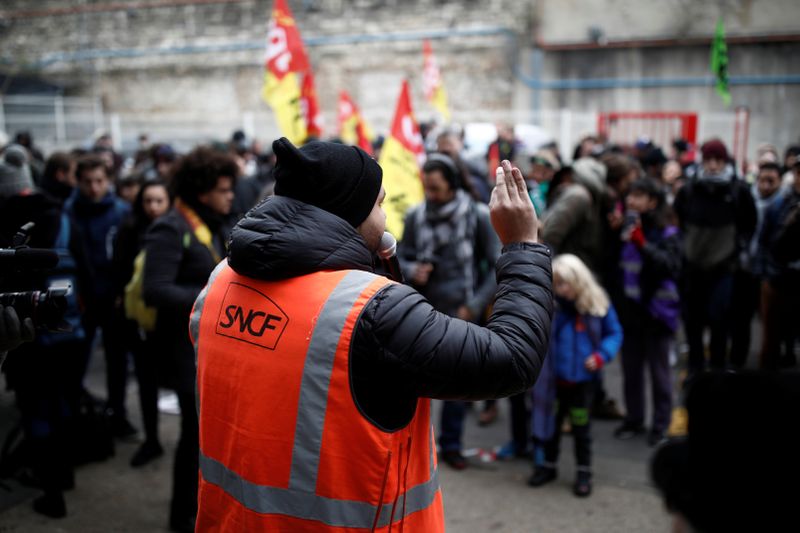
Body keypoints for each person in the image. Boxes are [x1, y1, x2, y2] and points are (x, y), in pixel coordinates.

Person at [190, 138, 552, 531]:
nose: (385, 220)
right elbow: (513, 359)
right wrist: (523, 246)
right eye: (379, 205)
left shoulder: (220, 279)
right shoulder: (371, 311)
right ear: (349, 213)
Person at [142, 147, 236, 532]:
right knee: (193, 436)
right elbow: (156, 289)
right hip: (182, 351)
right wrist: (214, 298)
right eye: (223, 190)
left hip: (205, 348)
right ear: (202, 192)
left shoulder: (211, 222)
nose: (230, 196)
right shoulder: (171, 227)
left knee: (205, 434)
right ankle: (182, 518)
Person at [398, 153, 501, 470]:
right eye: (427, 188)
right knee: (417, 383)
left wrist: (474, 304)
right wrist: (412, 268)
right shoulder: (415, 216)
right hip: (422, 310)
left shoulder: (477, 215)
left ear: (453, 185)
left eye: (437, 189)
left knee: (457, 384)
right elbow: (400, 257)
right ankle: (414, 447)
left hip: (463, 310)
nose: (431, 196)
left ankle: (452, 445)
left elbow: (497, 265)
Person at [528, 254, 622, 497]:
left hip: (583, 383)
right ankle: (548, 467)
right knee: (552, 427)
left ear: (578, 281)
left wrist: (602, 355)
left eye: (563, 283)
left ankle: (583, 473)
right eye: (556, 284)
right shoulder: (554, 308)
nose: (559, 289)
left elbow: (614, 333)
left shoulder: (595, 306)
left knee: (582, 429)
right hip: (554, 382)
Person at [673, 139, 756, 376]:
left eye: (717, 160)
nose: (712, 165)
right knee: (693, 322)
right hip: (693, 267)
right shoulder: (690, 190)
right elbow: (679, 220)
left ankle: (718, 371)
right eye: (708, 159)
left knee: (720, 321)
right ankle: (695, 371)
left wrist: (736, 250)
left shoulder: (737, 190)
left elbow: (749, 223)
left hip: (723, 268)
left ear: (725, 161)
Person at [65, 155, 135, 437]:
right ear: (78, 182)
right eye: (88, 182)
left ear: (108, 181)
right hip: (83, 298)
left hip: (113, 298)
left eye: (99, 182)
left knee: (117, 361)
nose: (94, 188)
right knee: (77, 359)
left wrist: (122, 291)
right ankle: (74, 416)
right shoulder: (69, 212)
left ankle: (117, 414)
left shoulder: (120, 212)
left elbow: (128, 256)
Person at [613, 178, 681, 446]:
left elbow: (669, 267)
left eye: (639, 196)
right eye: (630, 195)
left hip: (658, 316)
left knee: (660, 374)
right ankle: (634, 420)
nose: (631, 200)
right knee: (631, 372)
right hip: (631, 315)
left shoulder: (668, 233)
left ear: (652, 202)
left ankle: (661, 426)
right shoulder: (627, 228)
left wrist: (643, 245)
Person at [113, 180, 171, 467]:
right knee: (147, 381)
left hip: (170, 321)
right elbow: (121, 272)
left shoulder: (176, 231)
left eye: (159, 200)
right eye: (148, 200)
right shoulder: (130, 230)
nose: (153, 207)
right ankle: (151, 439)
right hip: (141, 322)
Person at [729, 162, 784, 368]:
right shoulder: (747, 199)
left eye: (772, 181)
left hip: (769, 272)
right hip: (745, 269)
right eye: (763, 180)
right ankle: (737, 362)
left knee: (771, 326)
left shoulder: (783, 206)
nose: (766, 186)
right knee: (741, 320)